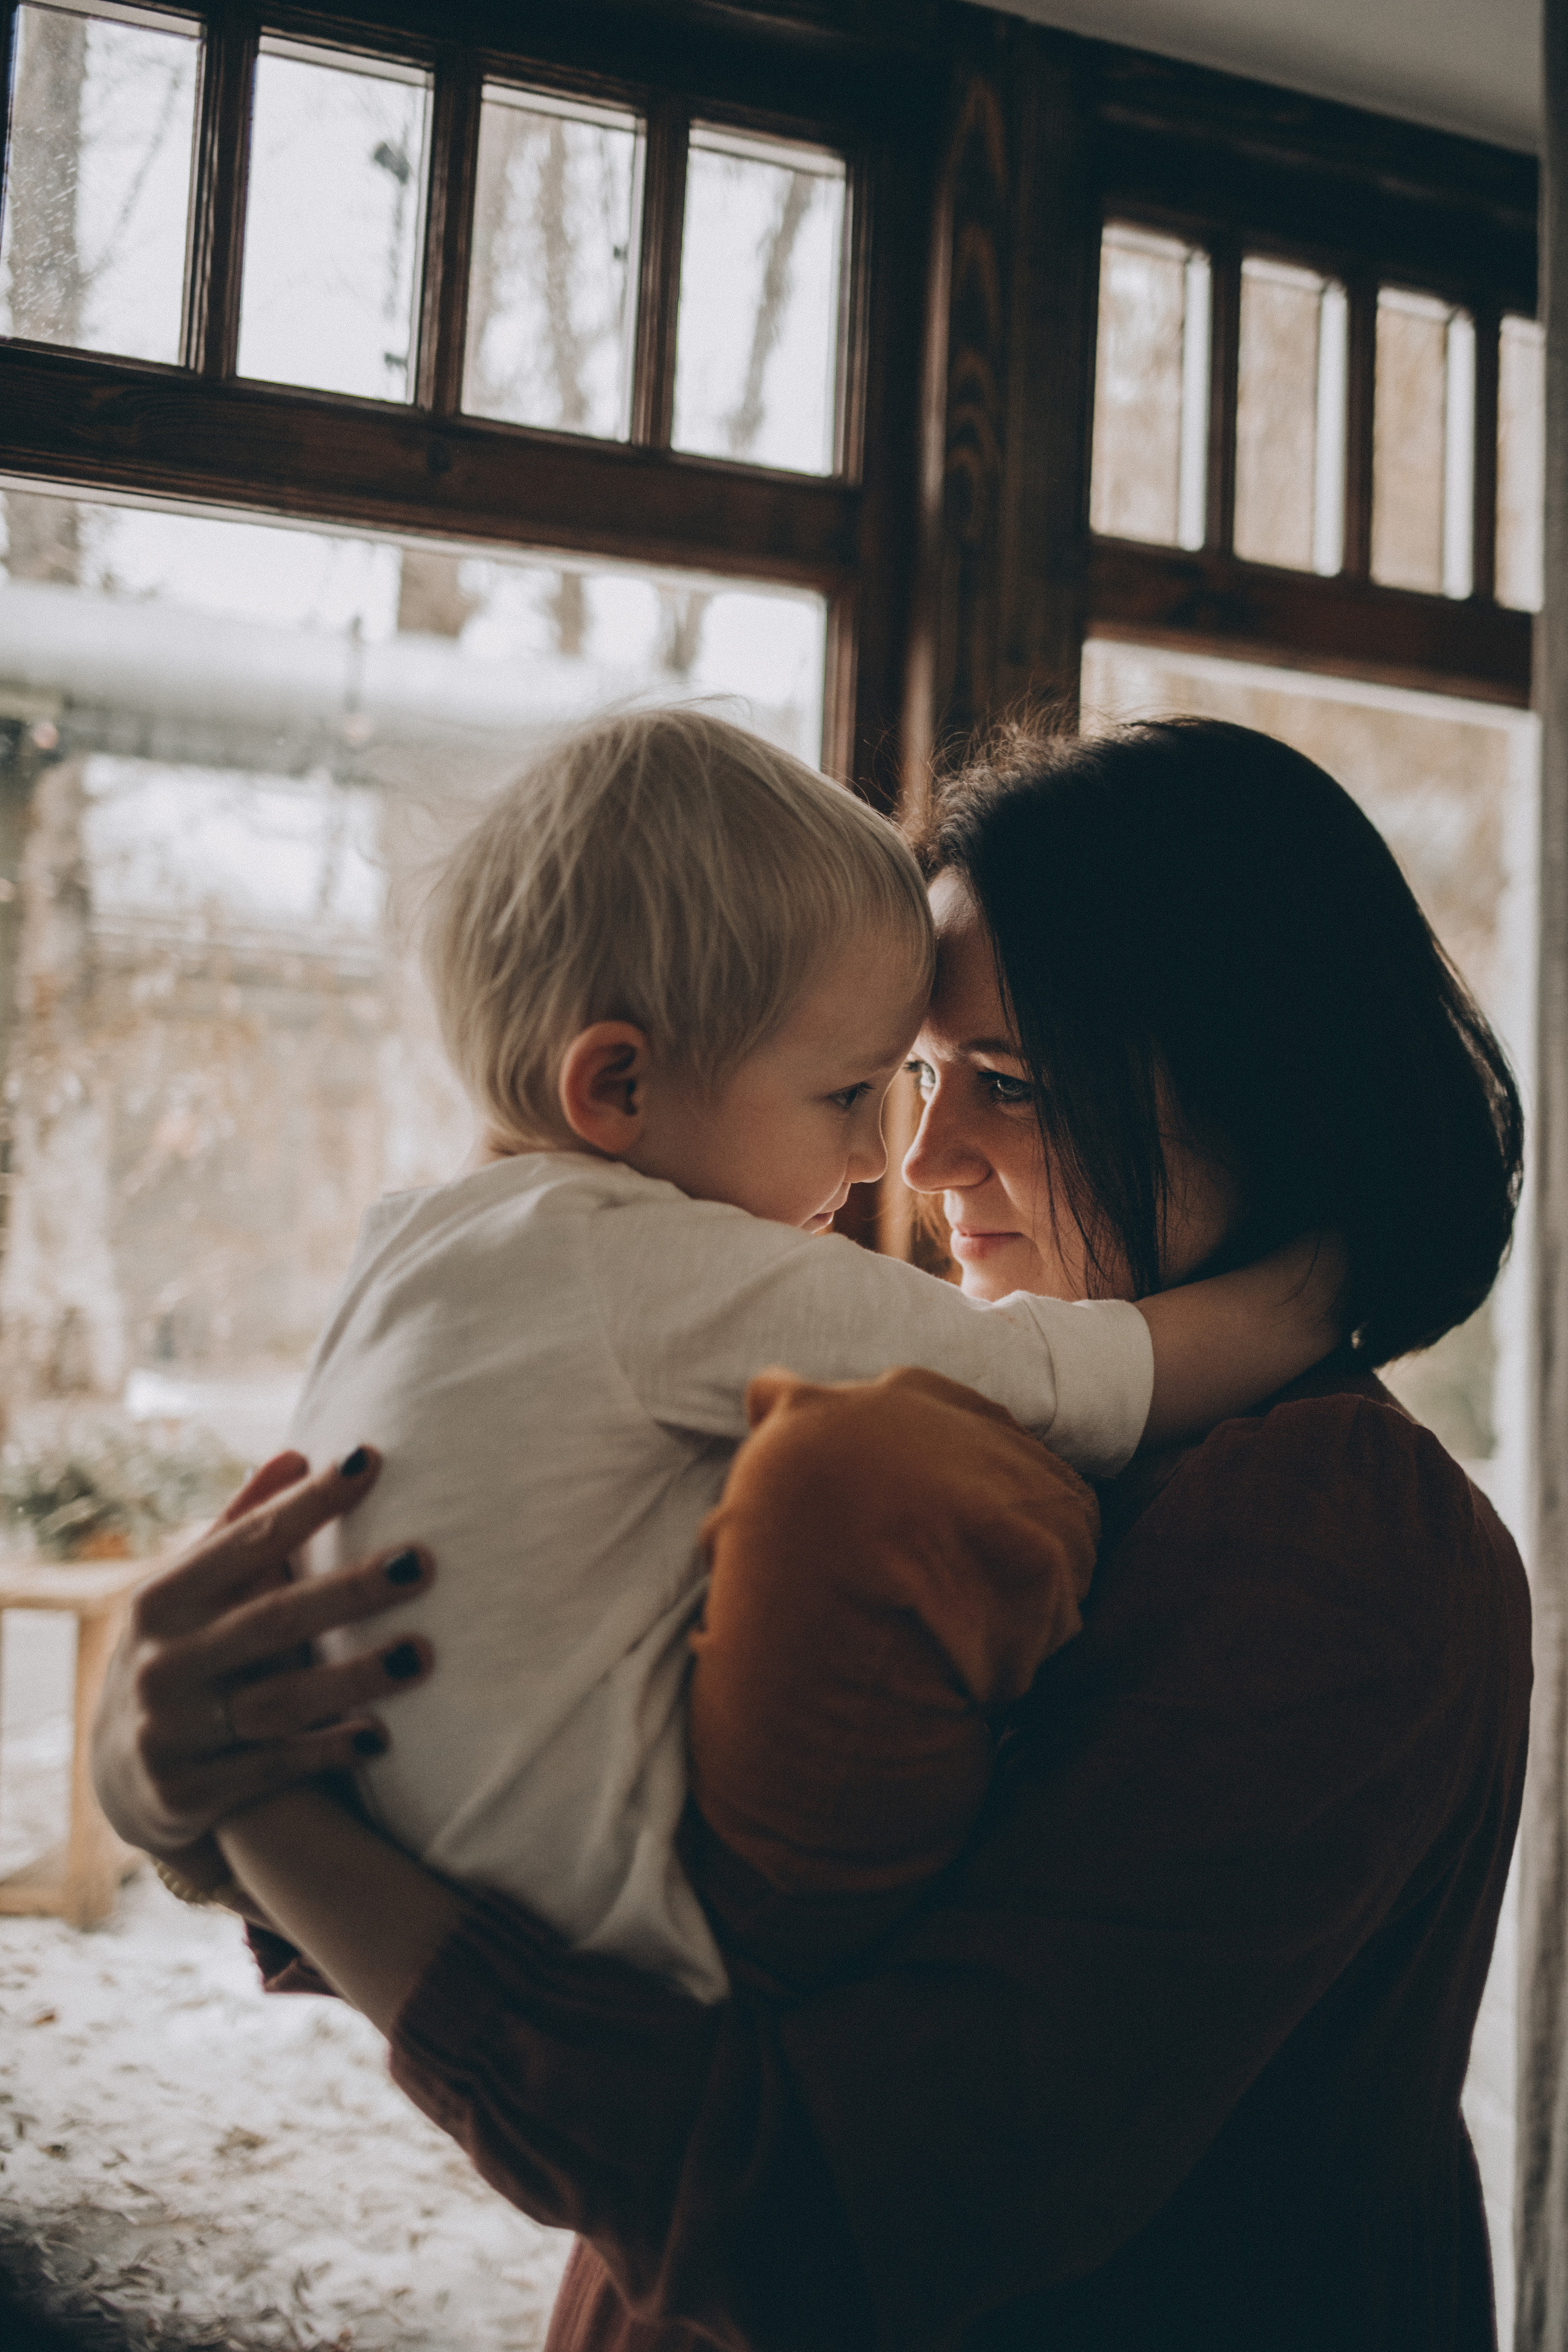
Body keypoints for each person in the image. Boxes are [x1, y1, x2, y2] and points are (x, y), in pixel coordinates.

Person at [94, 718, 1530, 2351]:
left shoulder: (1331, 1536)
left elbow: (827, 2220)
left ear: (1265, 1092)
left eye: (1015, 1086)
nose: (920, 1159)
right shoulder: (923, 1411)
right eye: (912, 1077)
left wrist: (266, 1823)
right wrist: (213, 1754)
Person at [285, 704, 1336, 2000]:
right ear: (614, 1088)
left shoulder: (413, 1247)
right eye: (856, 1093)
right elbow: (1062, 1377)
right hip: (628, 1941)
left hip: (407, 1870)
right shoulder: (650, 1268)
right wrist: (1307, 1292)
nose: (887, 1160)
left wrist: (238, 1826)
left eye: (1005, 1082)